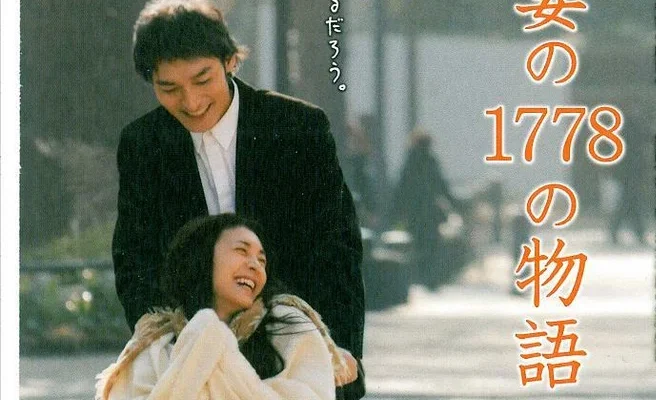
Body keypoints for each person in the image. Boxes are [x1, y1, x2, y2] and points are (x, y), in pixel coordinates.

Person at [111, 0, 364, 396]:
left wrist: (338, 350)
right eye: (169, 88)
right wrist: (162, 343)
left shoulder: (298, 128)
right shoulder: (143, 144)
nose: (191, 102)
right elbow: (135, 258)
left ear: (230, 61)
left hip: (291, 342)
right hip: (193, 352)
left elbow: (335, 250)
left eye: (202, 79)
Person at [97, 214, 354, 399]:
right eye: (242, 251)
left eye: (261, 260)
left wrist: (210, 338)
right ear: (203, 258)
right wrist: (205, 335)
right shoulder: (157, 341)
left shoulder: (289, 326)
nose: (255, 265)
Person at [389, 129, 457, 288]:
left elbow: (401, 189)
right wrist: (454, 204)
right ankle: (429, 278)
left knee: (416, 243)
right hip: (430, 212)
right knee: (431, 244)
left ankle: (417, 276)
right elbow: (441, 186)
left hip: (413, 212)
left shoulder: (410, 162)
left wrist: (395, 212)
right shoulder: (431, 162)